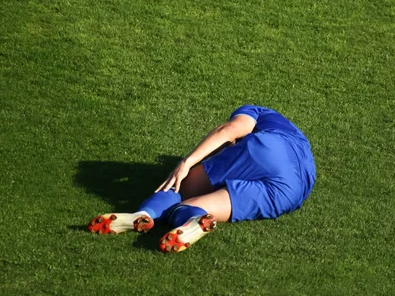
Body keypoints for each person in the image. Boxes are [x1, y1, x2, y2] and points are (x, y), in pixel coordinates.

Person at [88, 105, 317, 253]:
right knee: (193, 206)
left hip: (266, 149)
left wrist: (187, 162)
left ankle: (143, 215)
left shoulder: (258, 111)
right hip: (292, 191)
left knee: (183, 188)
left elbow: (229, 130)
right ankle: (193, 221)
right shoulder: (296, 137)